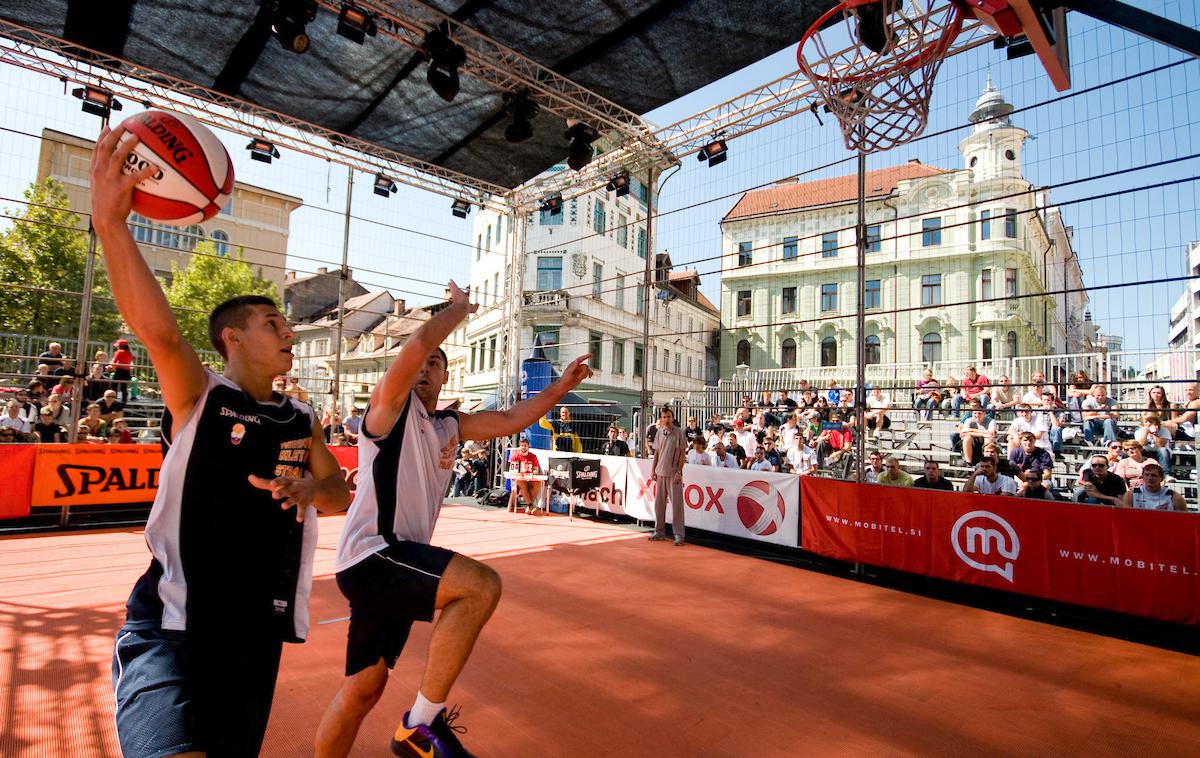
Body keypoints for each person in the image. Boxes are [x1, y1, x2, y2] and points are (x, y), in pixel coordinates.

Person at [91, 124, 352, 758]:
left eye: (287, 324)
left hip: (254, 629)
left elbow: (341, 496)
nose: (288, 333)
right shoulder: (199, 394)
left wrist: (309, 487)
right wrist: (112, 224)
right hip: (174, 622)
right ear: (232, 338)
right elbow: (156, 329)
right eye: (273, 323)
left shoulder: (301, 417)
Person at [314, 280, 592, 758]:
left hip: (394, 564)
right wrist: (458, 310)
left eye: (436, 363)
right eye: (419, 361)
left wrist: (562, 386)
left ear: (445, 378)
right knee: (481, 585)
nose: (425, 366)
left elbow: (508, 420)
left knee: (364, 689)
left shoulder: (448, 426)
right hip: (373, 555)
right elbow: (418, 345)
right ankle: (419, 726)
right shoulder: (387, 415)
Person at [648, 406, 688, 546]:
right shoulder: (659, 432)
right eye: (664, 417)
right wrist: (653, 470)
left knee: (677, 505)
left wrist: (679, 471)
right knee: (659, 504)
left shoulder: (679, 433)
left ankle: (679, 535)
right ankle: (659, 532)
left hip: (673, 474)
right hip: (660, 473)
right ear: (661, 418)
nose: (666, 419)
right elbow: (657, 453)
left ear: (673, 418)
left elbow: (683, 455)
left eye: (669, 417)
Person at [1121, 462, 1187, 511]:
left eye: (1153, 475)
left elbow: (1183, 519)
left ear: (1161, 478)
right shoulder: (1131, 495)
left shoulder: (1174, 497)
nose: (1149, 478)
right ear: (1142, 477)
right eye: (1147, 475)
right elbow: (1127, 517)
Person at [507, 437, 543, 515]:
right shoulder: (515, 456)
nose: (523, 447)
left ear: (528, 446)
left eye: (525, 445)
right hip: (519, 479)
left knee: (537, 484)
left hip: (530, 477)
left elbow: (536, 469)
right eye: (522, 445)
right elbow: (512, 470)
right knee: (522, 483)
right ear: (519, 446)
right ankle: (530, 505)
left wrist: (534, 472)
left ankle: (528, 506)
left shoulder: (533, 456)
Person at [109, 338, 135, 405]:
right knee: (124, 387)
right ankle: (124, 402)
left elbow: (114, 362)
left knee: (113, 386)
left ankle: (113, 401)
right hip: (127, 372)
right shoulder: (130, 353)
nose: (117, 347)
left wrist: (110, 367)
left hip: (119, 371)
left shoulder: (119, 352)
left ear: (120, 346)